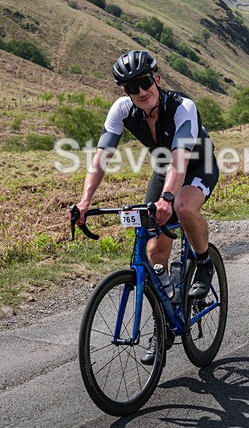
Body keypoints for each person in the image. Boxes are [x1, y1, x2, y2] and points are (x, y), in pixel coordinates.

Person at [74, 50, 220, 364]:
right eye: (131, 87)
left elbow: (181, 163)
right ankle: (164, 324)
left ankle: (205, 262)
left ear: (156, 79)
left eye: (144, 83)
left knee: (181, 205)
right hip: (164, 169)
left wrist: (167, 199)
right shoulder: (122, 110)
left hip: (196, 165)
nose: (140, 92)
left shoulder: (182, 107)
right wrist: (85, 201)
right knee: (154, 251)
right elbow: (101, 159)